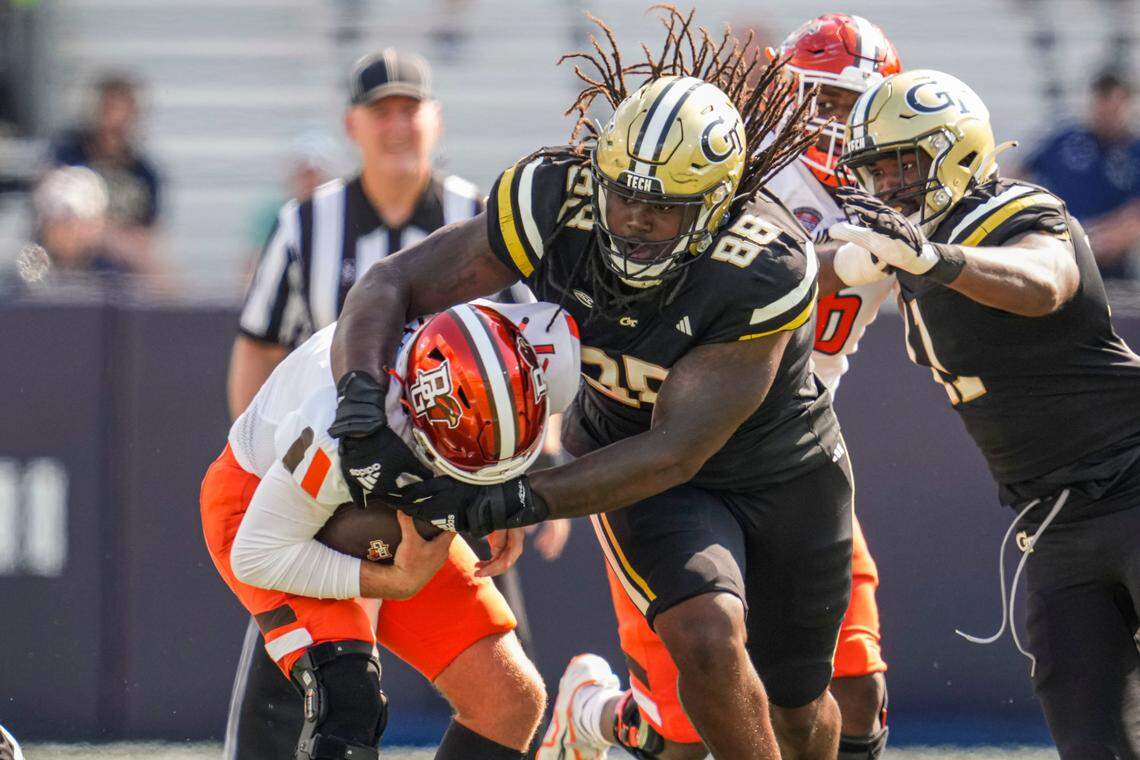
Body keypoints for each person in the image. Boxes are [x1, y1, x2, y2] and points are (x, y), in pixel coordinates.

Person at [330, 10, 854, 759]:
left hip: (778, 470)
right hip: (633, 460)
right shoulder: (556, 199)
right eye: (625, 197)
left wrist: (515, 498)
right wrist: (359, 394)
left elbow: (680, 449)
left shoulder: (762, 263)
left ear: (714, 209)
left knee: (799, 707)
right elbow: (392, 283)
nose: (635, 222)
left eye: (663, 209)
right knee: (705, 636)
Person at [536, 14, 901, 760]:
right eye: (817, 100)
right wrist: (861, 255)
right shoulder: (747, 172)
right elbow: (783, 268)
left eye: (846, 105)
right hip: (669, 446)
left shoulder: (901, 185)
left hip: (790, 450)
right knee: (684, 731)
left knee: (851, 691)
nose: (828, 124)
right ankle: (597, 712)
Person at [830, 68, 1140, 759]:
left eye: (904, 163)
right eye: (876, 169)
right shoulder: (909, 246)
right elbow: (808, 276)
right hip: (1056, 524)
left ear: (959, 148)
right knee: (1092, 736)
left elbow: (1044, 282)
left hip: (1134, 482)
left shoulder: (1015, 210)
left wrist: (936, 259)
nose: (889, 185)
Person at [222, 48, 495, 758]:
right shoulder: (307, 223)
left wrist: (532, 471)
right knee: (320, 681)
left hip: (451, 488)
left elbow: (520, 358)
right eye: (383, 112)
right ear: (353, 124)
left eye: (411, 109)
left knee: (502, 681)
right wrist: (265, 458)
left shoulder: (477, 219)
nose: (398, 126)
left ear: (436, 119)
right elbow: (257, 342)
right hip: (332, 475)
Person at [202, 298, 581, 759]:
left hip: (393, 500)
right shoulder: (341, 431)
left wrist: (500, 494)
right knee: (348, 703)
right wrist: (392, 581)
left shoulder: (490, 333)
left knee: (509, 701)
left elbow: (491, 398)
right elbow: (257, 556)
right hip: (266, 509)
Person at [1023, 70, 1140, 280]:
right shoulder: (1065, 141)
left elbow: (1134, 218)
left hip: (1108, 272)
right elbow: (1020, 176)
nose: (1108, 112)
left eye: (1116, 105)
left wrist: (1091, 240)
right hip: (1056, 255)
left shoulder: (1135, 152)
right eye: (1102, 102)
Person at [49, 73, 162, 272]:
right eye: (110, 110)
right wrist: (105, 235)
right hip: (65, 275)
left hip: (123, 279)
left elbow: (147, 242)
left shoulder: (144, 174)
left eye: (125, 112)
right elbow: (57, 235)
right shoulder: (69, 159)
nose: (116, 122)